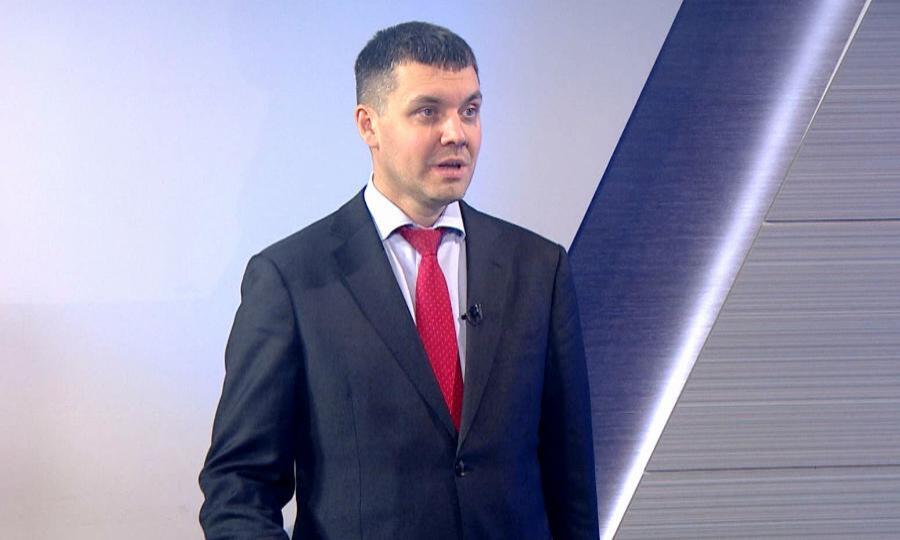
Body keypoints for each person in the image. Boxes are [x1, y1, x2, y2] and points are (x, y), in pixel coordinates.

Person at [199, 21, 598, 539]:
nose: (456, 133)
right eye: (428, 111)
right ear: (369, 125)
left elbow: (571, 482)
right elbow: (238, 489)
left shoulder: (540, 269)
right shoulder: (290, 279)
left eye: (470, 110)